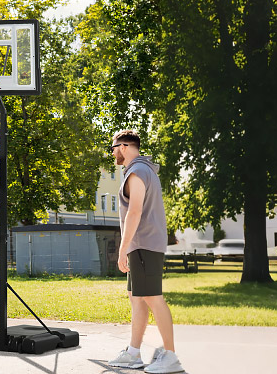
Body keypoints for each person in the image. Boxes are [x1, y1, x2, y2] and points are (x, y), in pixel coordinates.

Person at [107, 130, 185, 374]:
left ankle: (170, 356)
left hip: (143, 244)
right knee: (136, 297)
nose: (112, 152)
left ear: (125, 147)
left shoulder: (137, 172)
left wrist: (122, 249)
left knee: (153, 298)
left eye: (114, 147)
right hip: (140, 245)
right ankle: (133, 352)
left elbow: (135, 212)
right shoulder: (143, 170)